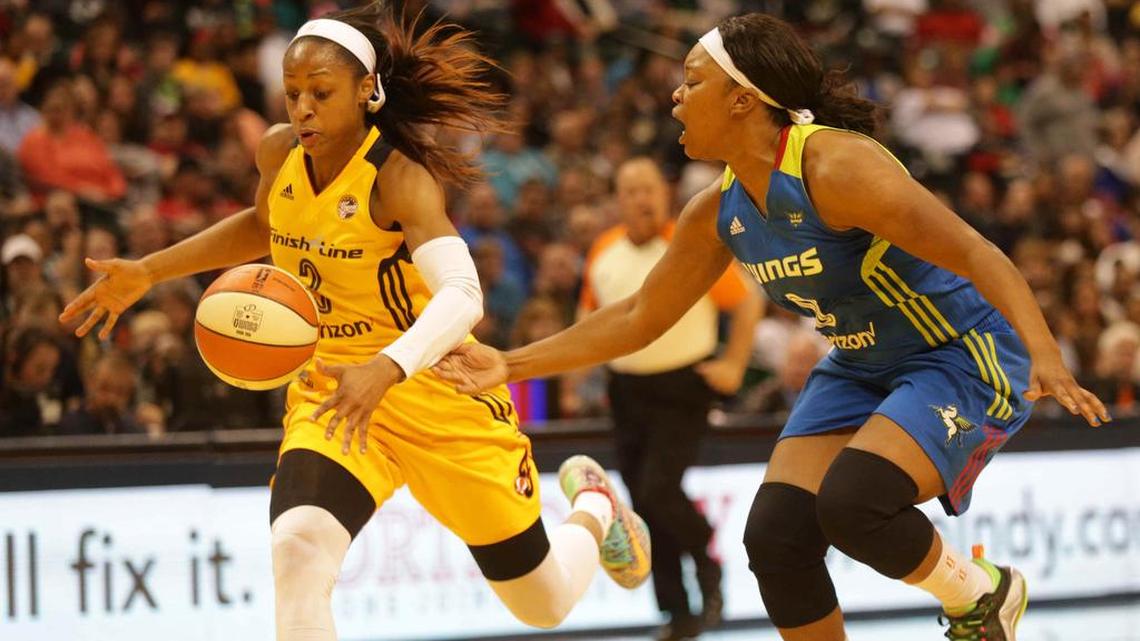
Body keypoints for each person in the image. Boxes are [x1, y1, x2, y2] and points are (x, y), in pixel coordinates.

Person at [434, 13, 1111, 641]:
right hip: (858, 362)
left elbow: (975, 251)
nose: (674, 95)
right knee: (776, 535)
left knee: (854, 501)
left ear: (743, 98)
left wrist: (1045, 354)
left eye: (692, 80)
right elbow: (641, 316)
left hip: (955, 351)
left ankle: (982, 591)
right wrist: (510, 362)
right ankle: (974, 594)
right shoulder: (717, 209)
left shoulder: (835, 167)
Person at [59, 5, 650, 640]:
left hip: (435, 393)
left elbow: (464, 294)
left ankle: (593, 505)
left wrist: (388, 366)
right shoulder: (277, 152)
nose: (302, 109)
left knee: (544, 604)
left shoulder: (399, 178)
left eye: (320, 93)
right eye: (292, 94)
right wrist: (150, 269)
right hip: (334, 392)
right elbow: (264, 226)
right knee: (298, 551)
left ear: (368, 91)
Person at [579, 156, 761, 640]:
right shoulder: (603, 250)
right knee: (642, 500)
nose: (641, 198)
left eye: (649, 189)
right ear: (617, 201)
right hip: (626, 391)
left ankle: (706, 557)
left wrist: (734, 365)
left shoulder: (689, 246)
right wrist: (579, 376)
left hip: (682, 386)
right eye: (630, 190)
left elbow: (747, 302)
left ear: (665, 195)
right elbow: (589, 319)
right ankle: (678, 614)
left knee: (659, 489)